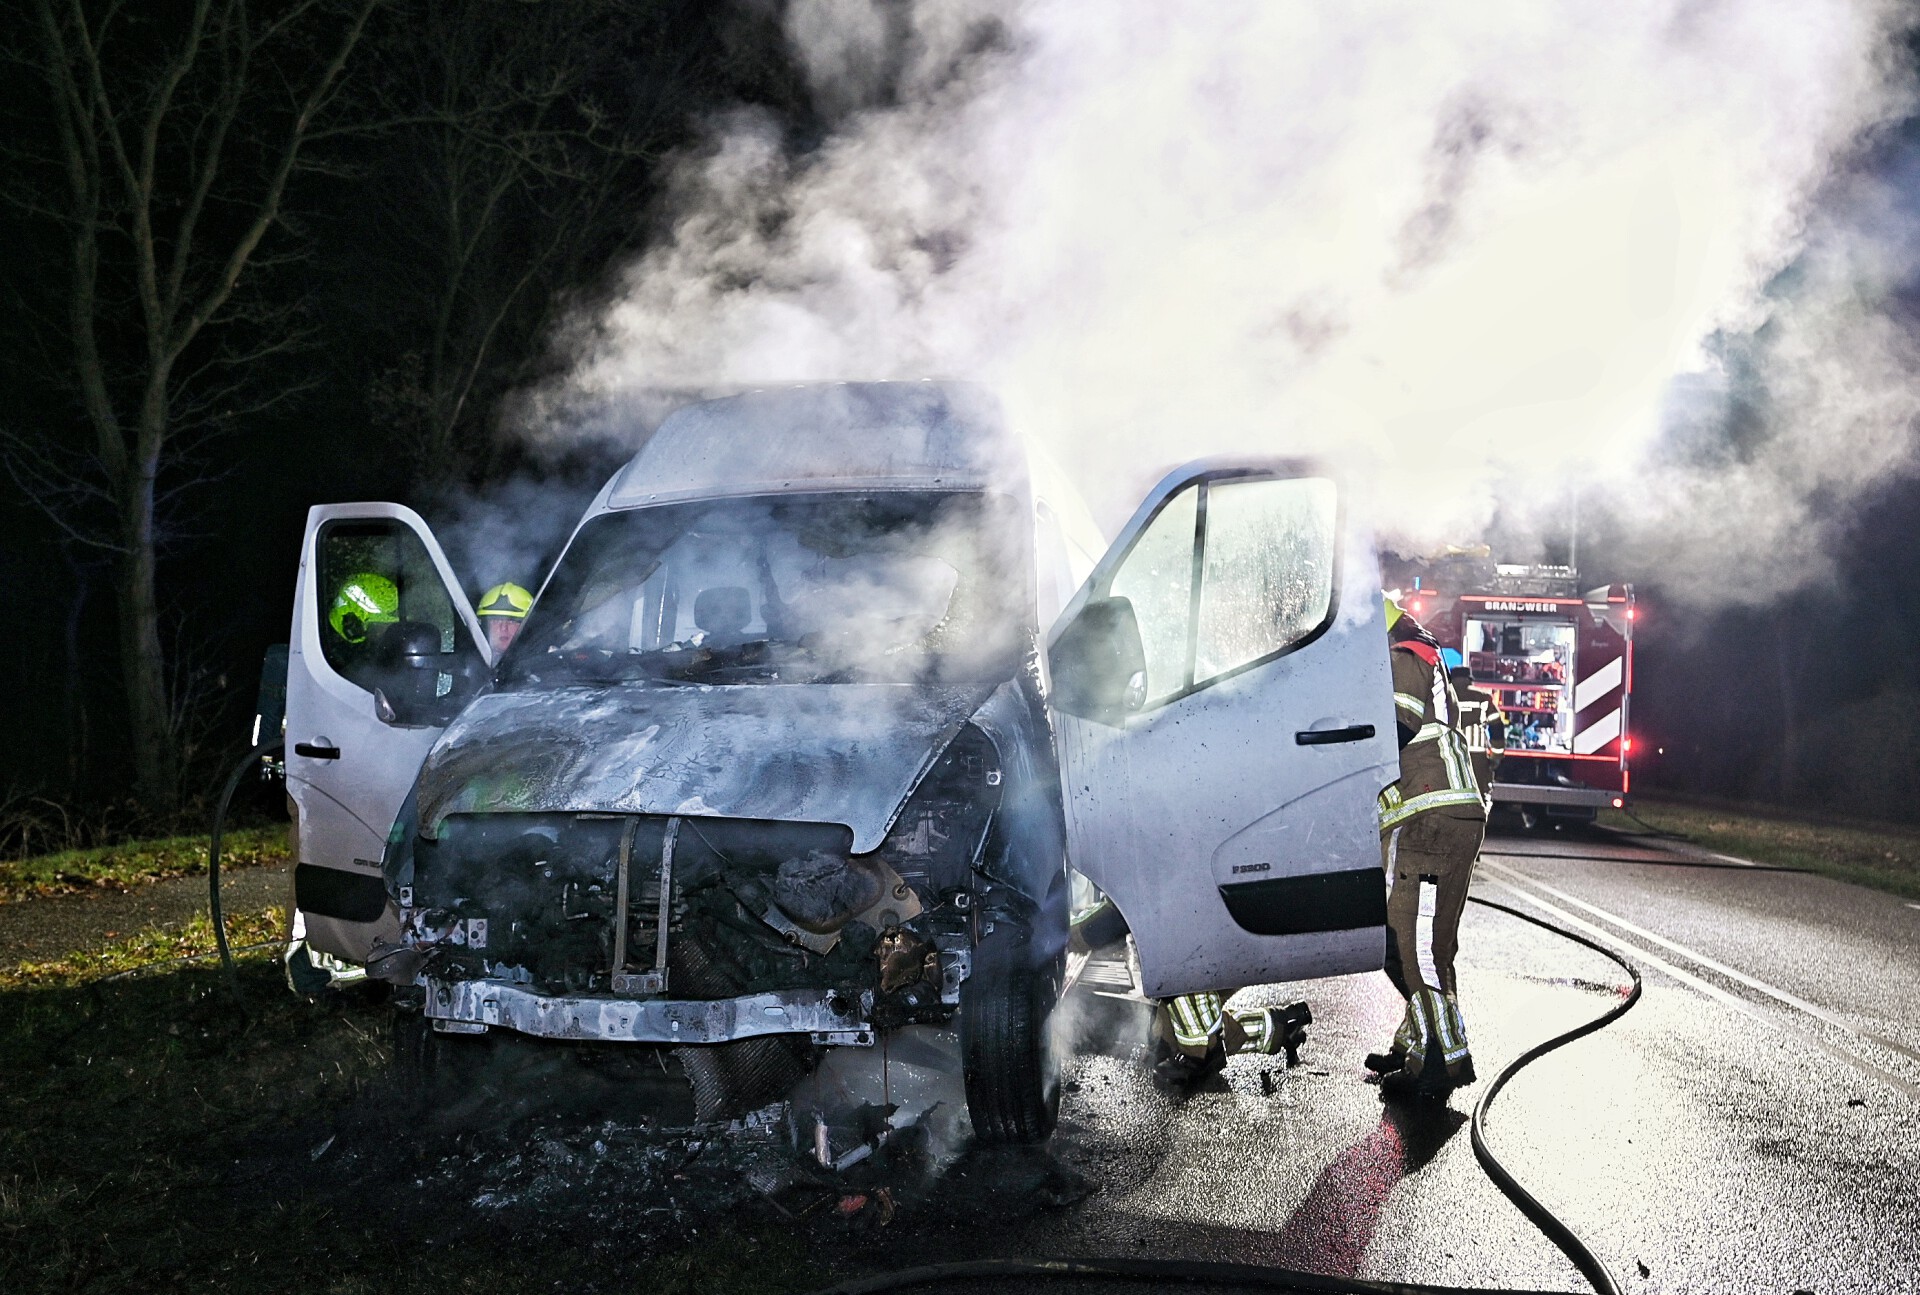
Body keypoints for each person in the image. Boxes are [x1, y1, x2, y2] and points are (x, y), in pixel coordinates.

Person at [1369, 596, 1489, 1101]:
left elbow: (1391, 732)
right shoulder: (1430, 657)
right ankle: (1417, 1044)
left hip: (1423, 814)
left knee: (1408, 944)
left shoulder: (1404, 656)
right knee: (1435, 942)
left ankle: (1440, 1065)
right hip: (1457, 810)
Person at [1445, 650, 1507, 799]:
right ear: (1469, 679)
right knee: (1475, 799)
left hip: (1448, 757)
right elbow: (1496, 725)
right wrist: (1496, 757)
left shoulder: (1443, 696)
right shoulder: (1482, 697)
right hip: (1476, 759)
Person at [476, 581, 533, 654]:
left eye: (512, 621)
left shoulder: (544, 661)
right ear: (484, 625)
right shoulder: (466, 660)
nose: (503, 628)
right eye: (496, 621)